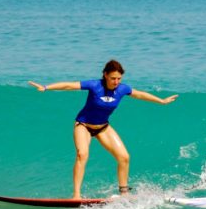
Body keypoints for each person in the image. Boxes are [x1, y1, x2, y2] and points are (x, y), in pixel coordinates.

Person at [28, 60, 178, 198]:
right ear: (105, 75)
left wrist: (162, 101)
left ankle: (124, 193)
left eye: (119, 78)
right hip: (83, 125)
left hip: (103, 127)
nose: (116, 82)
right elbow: (69, 85)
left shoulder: (122, 89)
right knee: (82, 154)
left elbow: (139, 94)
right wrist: (46, 87)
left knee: (124, 157)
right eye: (113, 78)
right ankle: (76, 195)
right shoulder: (94, 85)